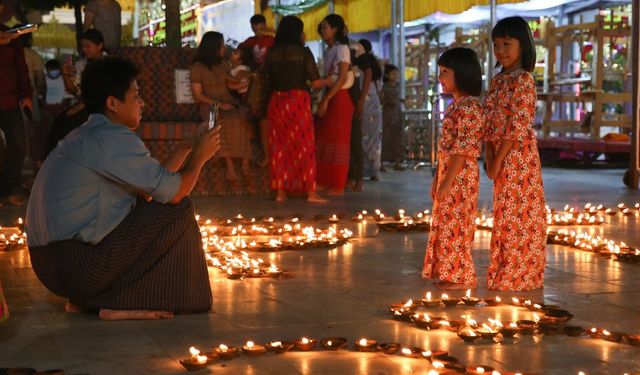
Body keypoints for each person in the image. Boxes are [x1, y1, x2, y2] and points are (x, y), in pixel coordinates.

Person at [26, 57, 221, 320]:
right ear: (112, 103)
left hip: (53, 267)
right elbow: (175, 192)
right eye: (136, 96)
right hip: (77, 265)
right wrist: (200, 157)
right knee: (179, 209)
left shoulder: (87, 134)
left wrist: (186, 147)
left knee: (151, 206)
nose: (142, 103)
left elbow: (153, 188)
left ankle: (89, 300)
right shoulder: (112, 139)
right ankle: (123, 301)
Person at [484, 17, 547, 291]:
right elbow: (488, 121)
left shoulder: (523, 81)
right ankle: (503, 271)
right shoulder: (498, 82)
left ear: (524, 45)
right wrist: (488, 155)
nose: (501, 51)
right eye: (497, 45)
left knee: (520, 215)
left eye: (507, 44)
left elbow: (517, 126)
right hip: (499, 154)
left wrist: (498, 159)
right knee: (504, 214)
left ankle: (521, 274)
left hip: (518, 157)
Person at [422, 48, 484, 290]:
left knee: (457, 223)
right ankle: (449, 271)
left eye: (445, 72)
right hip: (449, 172)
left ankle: (461, 275)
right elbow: (446, 148)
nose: (440, 78)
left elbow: (463, 149)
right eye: (440, 72)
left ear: (463, 73)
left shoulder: (469, 107)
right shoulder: (455, 106)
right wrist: (438, 178)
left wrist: (447, 181)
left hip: (460, 175)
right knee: (447, 222)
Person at [264, 15, 327, 204]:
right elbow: (315, 82)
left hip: (276, 102)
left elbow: (266, 80)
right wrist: (329, 80)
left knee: (278, 147)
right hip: (298, 102)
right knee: (304, 146)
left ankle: (280, 192)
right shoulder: (303, 52)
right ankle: (310, 191)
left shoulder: (271, 53)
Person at [191, 31, 253, 181]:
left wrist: (245, 78)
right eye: (222, 46)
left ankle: (245, 163)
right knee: (218, 123)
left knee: (240, 120)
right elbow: (198, 95)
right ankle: (230, 166)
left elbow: (233, 82)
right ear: (214, 48)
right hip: (208, 105)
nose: (224, 49)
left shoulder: (224, 65)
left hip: (228, 102)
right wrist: (219, 105)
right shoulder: (197, 68)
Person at [315, 14, 354, 196]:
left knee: (338, 141)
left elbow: (342, 77)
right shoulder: (329, 50)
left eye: (326, 27)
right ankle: (324, 180)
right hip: (331, 97)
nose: (323, 31)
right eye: (322, 28)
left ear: (335, 29)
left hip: (339, 98)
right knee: (325, 139)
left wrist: (327, 97)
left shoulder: (342, 49)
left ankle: (338, 184)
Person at [0, 11, 34, 206]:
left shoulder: (12, 37)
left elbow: (21, 69)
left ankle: (7, 189)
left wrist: (27, 95)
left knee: (18, 146)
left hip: (10, 101)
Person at [239, 14, 275, 168]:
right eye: (254, 28)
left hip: (271, 80)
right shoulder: (250, 42)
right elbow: (238, 49)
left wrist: (272, 31)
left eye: (260, 27)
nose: (257, 31)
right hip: (257, 82)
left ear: (264, 25)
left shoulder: (272, 40)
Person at [356, 39, 383, 181]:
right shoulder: (376, 66)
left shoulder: (360, 66)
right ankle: (374, 171)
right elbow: (379, 88)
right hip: (375, 104)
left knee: (361, 136)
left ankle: (362, 170)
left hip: (363, 102)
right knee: (375, 138)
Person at [62, 29, 107, 99]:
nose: (84, 49)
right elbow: (76, 91)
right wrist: (65, 75)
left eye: (88, 46)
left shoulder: (110, 63)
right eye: (82, 46)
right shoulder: (80, 64)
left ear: (100, 46)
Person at [381, 64, 405, 171]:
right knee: (385, 138)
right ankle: (381, 163)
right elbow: (382, 100)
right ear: (387, 75)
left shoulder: (397, 86)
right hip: (387, 115)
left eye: (396, 73)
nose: (395, 76)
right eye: (393, 73)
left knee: (397, 138)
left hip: (396, 114)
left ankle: (397, 162)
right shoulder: (384, 87)